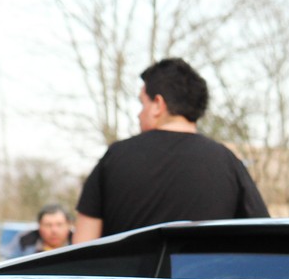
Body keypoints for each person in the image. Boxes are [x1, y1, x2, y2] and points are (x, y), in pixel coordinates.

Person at [72, 58, 268, 243]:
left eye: (143, 103)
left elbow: (82, 248)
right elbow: (263, 236)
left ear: (158, 104)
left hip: (127, 278)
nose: (139, 114)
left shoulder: (115, 157)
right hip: (202, 277)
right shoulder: (228, 162)